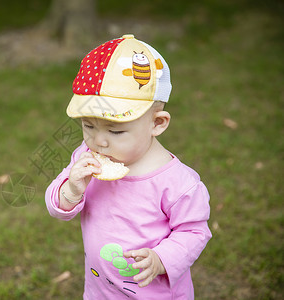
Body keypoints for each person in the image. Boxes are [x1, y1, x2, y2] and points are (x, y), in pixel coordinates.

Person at [45, 34, 212, 299]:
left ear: (157, 123)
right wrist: (72, 190)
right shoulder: (86, 156)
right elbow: (58, 206)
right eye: (88, 126)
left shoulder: (179, 183)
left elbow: (194, 231)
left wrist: (161, 259)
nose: (99, 141)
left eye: (116, 131)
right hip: (100, 289)